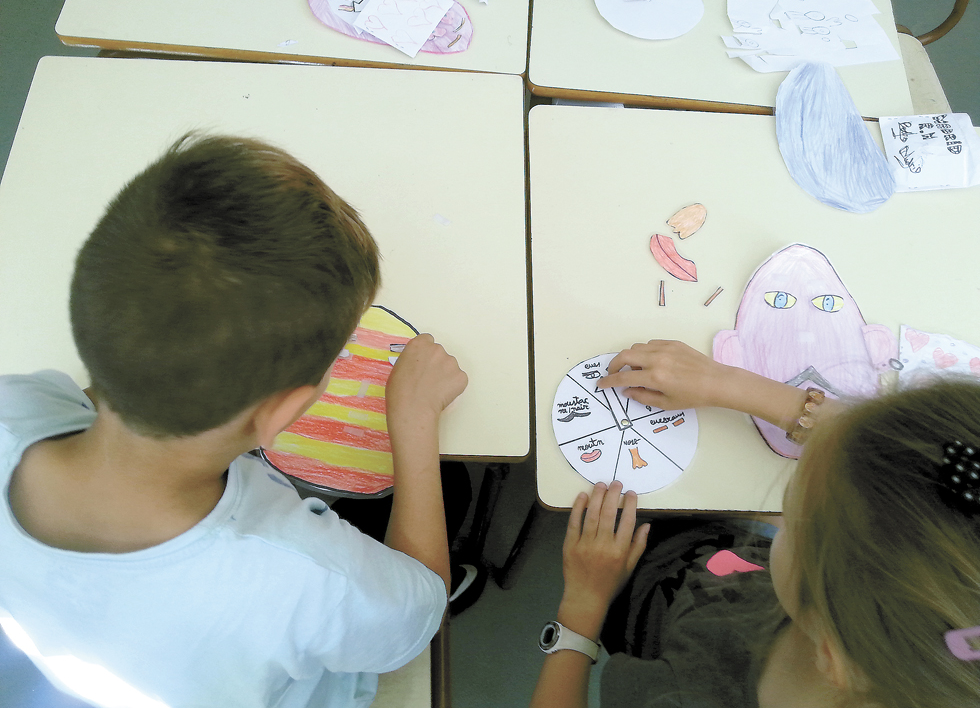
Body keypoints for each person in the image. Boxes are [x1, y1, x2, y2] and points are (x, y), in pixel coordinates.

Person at [0, 134, 468, 708]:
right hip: (302, 670)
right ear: (282, 413)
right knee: (449, 500)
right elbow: (420, 607)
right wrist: (415, 420)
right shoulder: (310, 578)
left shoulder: (12, 406)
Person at [531, 339, 980, 708]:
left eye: (799, 516)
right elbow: (891, 455)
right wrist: (724, 382)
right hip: (718, 568)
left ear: (830, 650)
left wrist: (584, 605)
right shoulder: (886, 628)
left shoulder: (683, 695)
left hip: (640, 606)